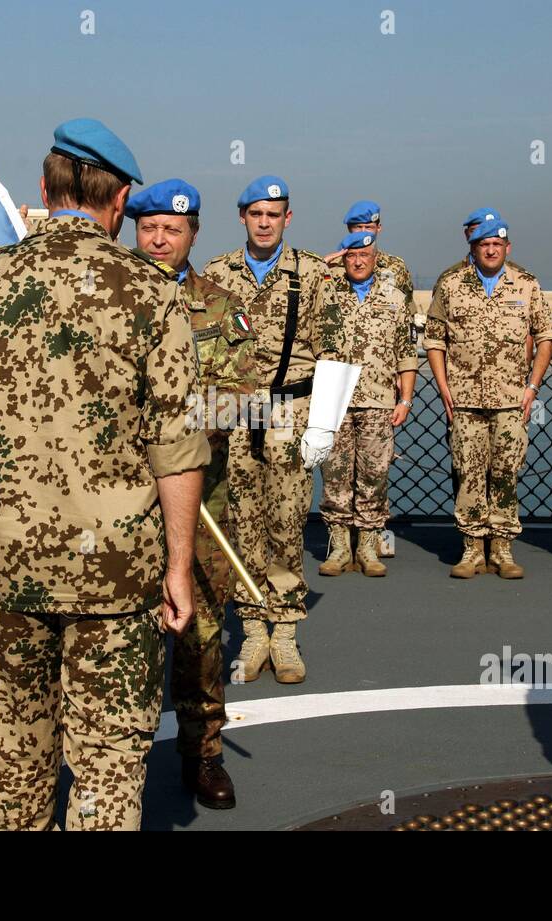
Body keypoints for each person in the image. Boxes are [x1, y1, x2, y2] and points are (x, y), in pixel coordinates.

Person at [0, 118, 208, 830]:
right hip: (117, 572)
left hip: (2, 568)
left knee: (14, 761)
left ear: (44, 190)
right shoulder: (152, 293)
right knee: (109, 768)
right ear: (120, 202)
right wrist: (178, 565)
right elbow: (178, 447)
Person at [127, 177, 258, 809]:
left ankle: (201, 752)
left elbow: (243, 393)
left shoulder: (219, 305)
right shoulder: (110, 298)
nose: (158, 239)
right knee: (119, 625)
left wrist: (173, 423)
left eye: (171, 230)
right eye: (148, 228)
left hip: (202, 498)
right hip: (119, 501)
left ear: (193, 234)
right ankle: (116, 753)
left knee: (201, 631)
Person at [202, 176, 352, 684]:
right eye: (256, 213)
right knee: (242, 521)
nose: (264, 222)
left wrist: (325, 426)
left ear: (288, 218)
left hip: (291, 409)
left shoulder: (312, 274)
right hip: (236, 414)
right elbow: (202, 349)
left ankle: (285, 629)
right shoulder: (217, 273)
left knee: (287, 520)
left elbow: (337, 351)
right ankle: (252, 629)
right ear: (242, 216)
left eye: (274, 214)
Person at [424, 220, 552, 579]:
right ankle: (471, 549)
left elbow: (546, 336)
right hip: (464, 400)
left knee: (505, 473)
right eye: (484, 244)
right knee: (467, 473)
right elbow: (434, 340)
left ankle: (502, 548)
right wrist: (443, 387)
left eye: (497, 243)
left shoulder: (526, 284)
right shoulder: (451, 285)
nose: (491, 250)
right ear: (473, 246)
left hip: (512, 402)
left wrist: (532, 386)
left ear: (508, 247)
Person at [318, 231, 417, 577]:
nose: (358, 261)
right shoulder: (327, 293)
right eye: (351, 256)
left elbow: (406, 354)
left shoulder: (395, 299)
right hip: (335, 401)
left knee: (375, 475)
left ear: (377, 258)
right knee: (335, 476)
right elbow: (303, 278)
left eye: (365, 255)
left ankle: (368, 545)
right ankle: (340, 545)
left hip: (378, 400)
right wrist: (324, 261)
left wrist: (405, 398)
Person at [325, 200, 414, 301]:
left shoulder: (396, 266)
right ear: (349, 229)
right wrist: (321, 266)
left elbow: (406, 308)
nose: (364, 232)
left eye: (368, 227)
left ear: (378, 228)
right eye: (358, 227)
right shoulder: (331, 266)